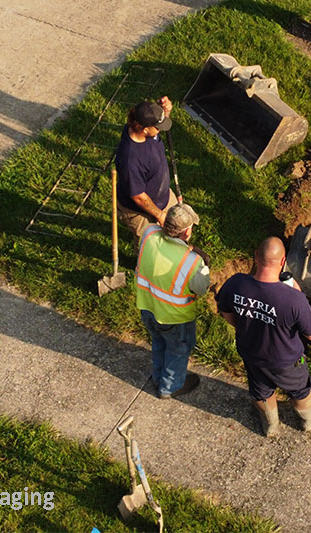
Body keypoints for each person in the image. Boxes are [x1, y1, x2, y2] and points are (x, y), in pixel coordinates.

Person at [217, 237, 311, 437]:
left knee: (260, 390)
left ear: (256, 256)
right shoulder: (294, 299)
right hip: (286, 361)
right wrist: (298, 294)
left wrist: (246, 326)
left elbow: (225, 311)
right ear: (283, 262)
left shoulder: (236, 283)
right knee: (300, 389)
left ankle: (270, 424)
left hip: (252, 353)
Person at [135, 203, 210, 399]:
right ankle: (170, 387)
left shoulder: (149, 233)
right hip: (174, 318)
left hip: (147, 308)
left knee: (159, 342)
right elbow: (201, 288)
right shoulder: (191, 261)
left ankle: (158, 376)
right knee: (177, 350)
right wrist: (204, 265)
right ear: (186, 232)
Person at [115, 96, 181, 255]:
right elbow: (138, 197)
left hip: (163, 196)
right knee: (149, 247)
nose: (160, 130)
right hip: (139, 211)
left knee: (177, 230)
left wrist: (164, 113)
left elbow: (157, 123)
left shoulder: (145, 131)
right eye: (158, 127)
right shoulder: (130, 159)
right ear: (143, 128)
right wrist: (160, 215)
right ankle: (143, 264)